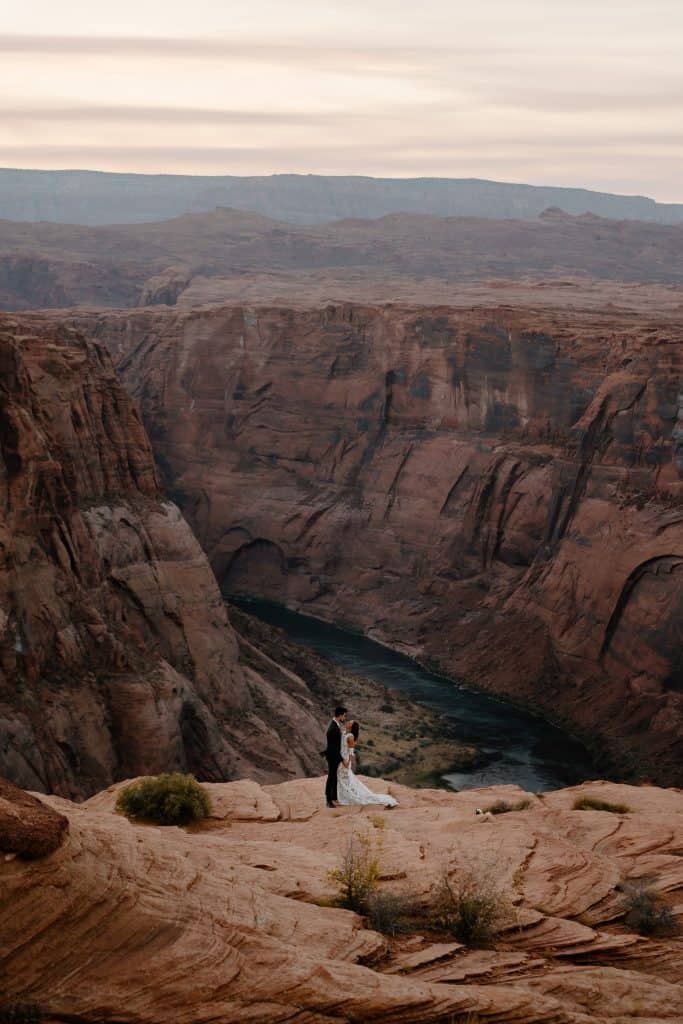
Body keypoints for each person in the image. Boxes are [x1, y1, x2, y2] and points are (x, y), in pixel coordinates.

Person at [336, 720, 397, 808]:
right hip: (340, 758)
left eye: (350, 723)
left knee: (343, 777)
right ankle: (343, 795)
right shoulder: (344, 732)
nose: (348, 722)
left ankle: (348, 796)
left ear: (352, 727)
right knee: (341, 778)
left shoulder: (350, 737)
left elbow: (351, 752)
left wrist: (347, 762)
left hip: (345, 760)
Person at [323, 705, 347, 807]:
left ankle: (334, 797)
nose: (344, 717)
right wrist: (342, 759)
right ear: (340, 715)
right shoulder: (333, 728)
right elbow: (334, 747)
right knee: (331, 777)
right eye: (344, 715)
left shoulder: (335, 725)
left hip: (333, 755)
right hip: (333, 756)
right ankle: (328, 800)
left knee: (334, 777)